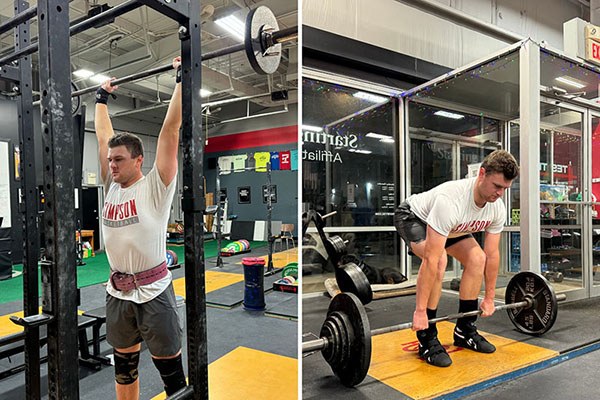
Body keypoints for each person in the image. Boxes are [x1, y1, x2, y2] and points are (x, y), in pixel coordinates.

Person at [95, 57, 186, 399]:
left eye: (119, 160)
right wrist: (101, 100)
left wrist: (181, 78)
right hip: (118, 291)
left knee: (170, 372)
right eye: (109, 161)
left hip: (154, 291)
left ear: (138, 160)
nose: (112, 165)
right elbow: (104, 135)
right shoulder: (112, 187)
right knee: (124, 367)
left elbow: (170, 130)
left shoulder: (155, 186)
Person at [394, 150, 519, 367]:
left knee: (477, 258)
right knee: (440, 259)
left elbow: (492, 254)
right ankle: (427, 336)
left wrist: (489, 297)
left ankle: (465, 329)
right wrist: (420, 312)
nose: (500, 193)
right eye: (496, 186)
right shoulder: (452, 200)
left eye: (505, 189)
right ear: (481, 174)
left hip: (451, 227)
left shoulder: (496, 207)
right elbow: (431, 260)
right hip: (415, 217)